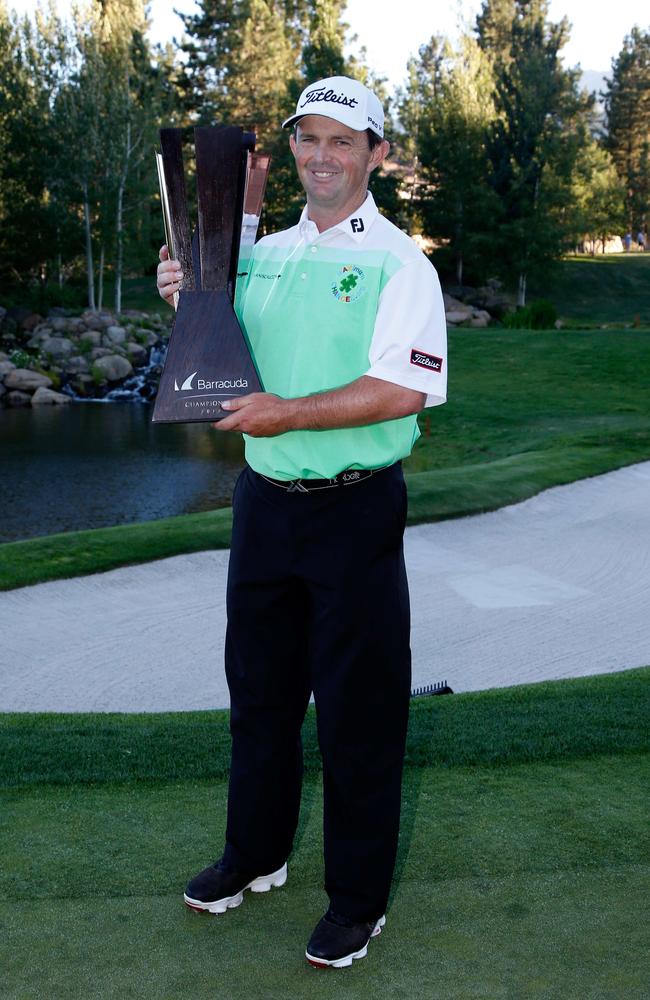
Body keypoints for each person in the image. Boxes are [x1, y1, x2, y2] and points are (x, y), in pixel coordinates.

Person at [156, 75, 447, 969]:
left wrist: (288, 412)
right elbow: (224, 345)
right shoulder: (266, 249)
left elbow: (402, 386)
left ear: (376, 155)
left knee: (358, 716)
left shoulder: (403, 263)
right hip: (265, 504)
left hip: (354, 507)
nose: (321, 155)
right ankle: (257, 853)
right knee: (262, 698)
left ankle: (358, 900)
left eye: (342, 141)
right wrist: (191, 294)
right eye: (307, 139)